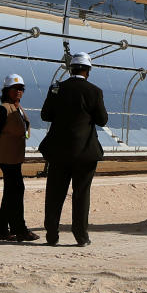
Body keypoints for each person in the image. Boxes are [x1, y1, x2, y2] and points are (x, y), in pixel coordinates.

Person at [39, 52, 108, 247]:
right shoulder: (94, 91)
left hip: (59, 151)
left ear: (71, 69)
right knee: (81, 194)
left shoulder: (56, 88)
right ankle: (81, 236)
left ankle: (52, 235)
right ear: (88, 71)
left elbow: (46, 115)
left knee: (54, 193)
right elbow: (102, 120)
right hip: (85, 151)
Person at [0, 74, 39, 242]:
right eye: (15, 89)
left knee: (11, 192)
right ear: (7, 91)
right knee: (16, 190)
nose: (18, 92)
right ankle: (20, 229)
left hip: (15, 156)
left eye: (21, 89)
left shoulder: (19, 108)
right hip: (6, 156)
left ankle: (2, 230)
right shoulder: (3, 109)